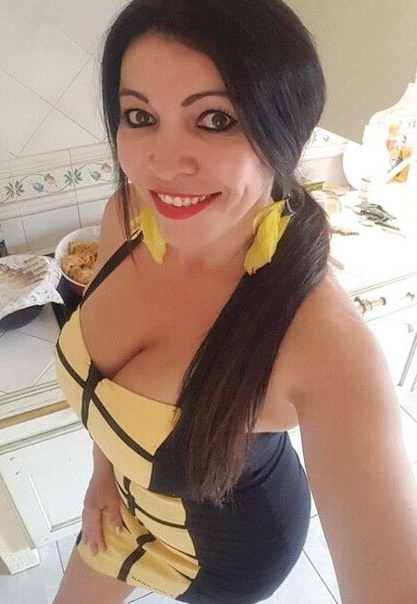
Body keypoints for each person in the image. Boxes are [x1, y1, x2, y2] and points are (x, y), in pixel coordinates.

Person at [54, 0, 417, 602]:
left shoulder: (325, 347)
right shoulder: (127, 217)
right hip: (121, 503)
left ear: (285, 130)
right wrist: (102, 477)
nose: (163, 164)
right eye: (141, 116)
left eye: (216, 119)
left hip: (227, 552)